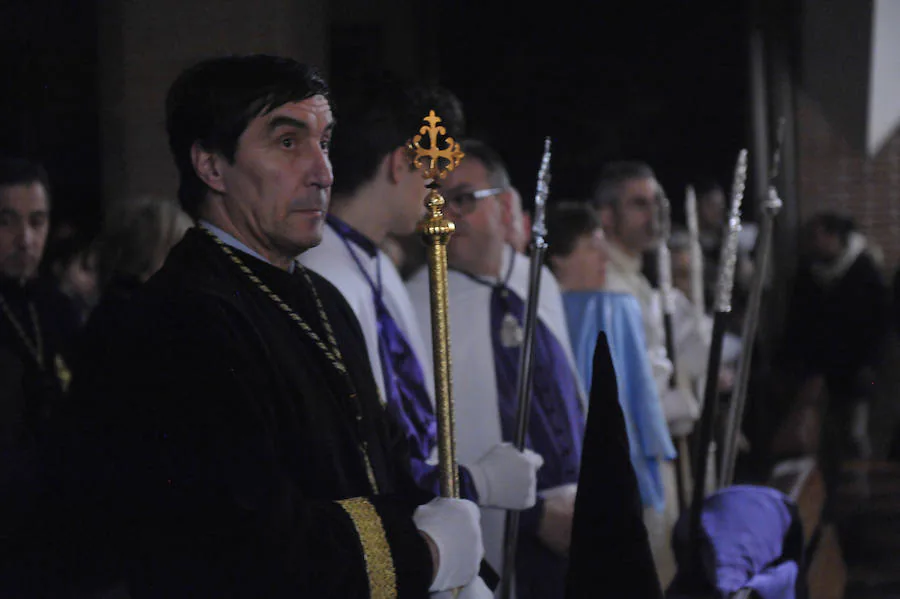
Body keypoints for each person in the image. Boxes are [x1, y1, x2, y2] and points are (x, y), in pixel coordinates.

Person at [49, 54, 489, 598]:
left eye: (324, 142)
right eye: (288, 143)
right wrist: (424, 555)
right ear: (211, 167)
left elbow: (380, 460)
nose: (322, 172)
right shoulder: (179, 321)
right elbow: (241, 538)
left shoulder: (320, 296)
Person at [408, 140, 653, 599]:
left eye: (463, 199)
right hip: (506, 529)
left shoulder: (532, 278)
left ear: (503, 205)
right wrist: (536, 515)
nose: (444, 212)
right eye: (435, 199)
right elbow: (426, 444)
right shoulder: (419, 303)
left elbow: (568, 398)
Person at [299, 70, 542, 513]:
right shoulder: (319, 275)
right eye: (435, 170)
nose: (439, 192)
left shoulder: (374, 263)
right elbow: (359, 448)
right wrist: (474, 484)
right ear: (399, 163)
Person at [591, 161, 702, 587]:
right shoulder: (605, 282)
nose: (653, 214)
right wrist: (666, 403)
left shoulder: (634, 276)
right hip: (634, 460)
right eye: (638, 204)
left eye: (656, 202)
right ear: (606, 214)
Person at [544, 200, 675, 519]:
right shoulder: (548, 314)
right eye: (591, 248)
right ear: (558, 258)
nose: (604, 257)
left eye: (603, 246)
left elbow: (638, 384)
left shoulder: (617, 306)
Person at [782, 212, 889, 490]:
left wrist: (870, 368)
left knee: (856, 436)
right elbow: (798, 325)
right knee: (821, 440)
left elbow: (878, 328)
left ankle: (858, 492)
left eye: (818, 237)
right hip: (819, 376)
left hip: (857, 375)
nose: (812, 244)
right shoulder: (809, 274)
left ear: (834, 237)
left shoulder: (864, 272)